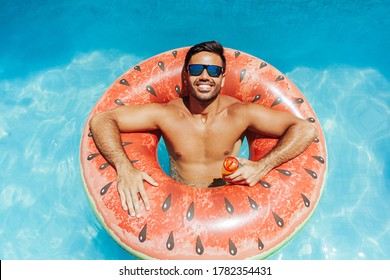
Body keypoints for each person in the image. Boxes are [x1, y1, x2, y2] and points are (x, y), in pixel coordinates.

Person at [89, 41, 318, 218]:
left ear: (223, 78)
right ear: (187, 75)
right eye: (197, 69)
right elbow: (102, 120)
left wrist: (262, 166)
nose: (205, 76)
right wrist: (125, 168)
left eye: (214, 71)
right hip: (174, 205)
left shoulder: (241, 114)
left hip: (229, 205)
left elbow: (304, 129)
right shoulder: (167, 115)